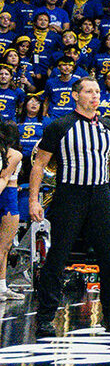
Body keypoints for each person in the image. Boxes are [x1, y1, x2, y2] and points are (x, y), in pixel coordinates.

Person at [30, 77, 110, 337]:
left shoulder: (109, 127)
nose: (95, 95)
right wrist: (33, 200)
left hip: (100, 195)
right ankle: (45, 318)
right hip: (69, 195)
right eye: (89, 91)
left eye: (97, 91)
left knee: (109, 257)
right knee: (57, 257)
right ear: (76, 95)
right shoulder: (60, 126)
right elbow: (39, 165)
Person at [0, 121, 24, 300]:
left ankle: (2, 286)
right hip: (7, 195)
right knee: (3, 247)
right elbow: (3, 178)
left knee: (5, 246)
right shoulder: (14, 154)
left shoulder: (13, 154)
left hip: (8, 193)